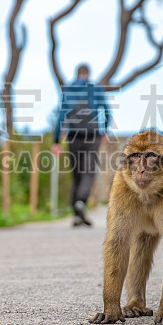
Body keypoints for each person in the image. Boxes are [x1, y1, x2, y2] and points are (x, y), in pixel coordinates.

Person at [52, 64, 111, 227]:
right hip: (92, 135)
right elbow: (106, 111)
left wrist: (56, 141)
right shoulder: (96, 89)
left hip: (73, 135)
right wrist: (103, 129)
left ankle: (77, 213)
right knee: (89, 171)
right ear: (88, 74)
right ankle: (81, 202)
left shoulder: (68, 90)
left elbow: (61, 116)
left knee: (77, 173)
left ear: (76, 74)